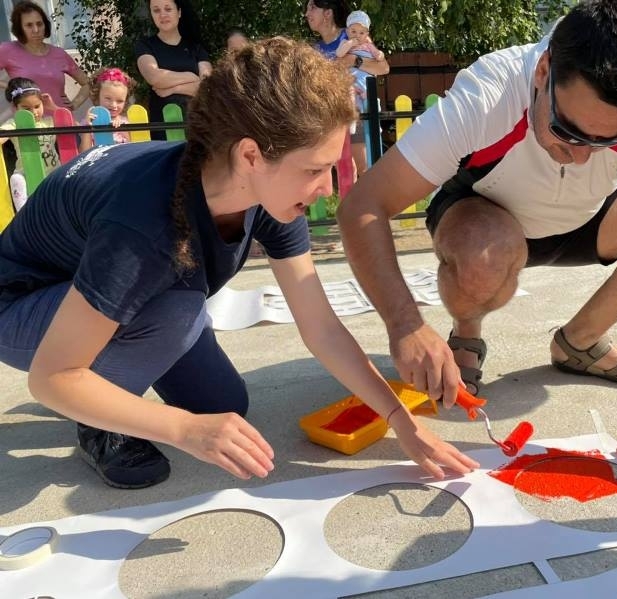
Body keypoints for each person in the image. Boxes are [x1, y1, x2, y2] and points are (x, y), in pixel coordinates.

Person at [337, 0, 617, 519]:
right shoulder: (488, 94)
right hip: (491, 215)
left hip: (593, 216)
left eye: (611, 139)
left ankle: (580, 340)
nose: (581, 154)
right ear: (543, 72)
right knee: (486, 253)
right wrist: (406, 325)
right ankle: (467, 332)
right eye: (568, 130)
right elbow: (362, 206)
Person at [0, 37, 478, 490]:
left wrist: (401, 420)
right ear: (251, 154)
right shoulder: (140, 222)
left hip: (125, 293)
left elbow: (321, 328)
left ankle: (127, 368)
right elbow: (52, 376)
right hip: (23, 304)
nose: (327, 189)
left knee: (224, 406)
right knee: (178, 317)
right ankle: (100, 423)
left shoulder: (265, 195)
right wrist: (183, 429)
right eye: (315, 170)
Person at [305, 0, 389, 177]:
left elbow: (383, 68)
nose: (307, 14)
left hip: (359, 110)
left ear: (328, 13)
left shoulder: (353, 33)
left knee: (365, 168)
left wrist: (354, 61)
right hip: (333, 116)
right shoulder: (315, 50)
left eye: (312, 8)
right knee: (345, 172)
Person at [135, 0, 212, 141]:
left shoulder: (196, 48)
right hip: (162, 127)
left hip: (197, 125)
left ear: (179, 12)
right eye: (156, 10)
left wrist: (172, 88)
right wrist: (191, 76)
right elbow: (154, 77)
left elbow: (207, 87)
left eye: (168, 9)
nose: (162, 15)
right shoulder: (145, 46)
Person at [0, 1, 91, 113]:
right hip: (29, 120)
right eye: (29, 25)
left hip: (61, 119)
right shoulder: (7, 50)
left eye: (39, 24)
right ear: (20, 28)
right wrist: (11, 87)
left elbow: (87, 83)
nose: (36, 30)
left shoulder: (59, 53)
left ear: (45, 25)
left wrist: (74, 104)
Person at [0, 78, 60, 211]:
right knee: (16, 179)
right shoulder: (14, 124)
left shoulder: (49, 121)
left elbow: (74, 125)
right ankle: (24, 212)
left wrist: (53, 107)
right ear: (15, 108)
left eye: (37, 106)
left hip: (53, 172)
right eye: (26, 108)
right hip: (26, 173)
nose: (34, 112)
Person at [335, 10, 385, 111]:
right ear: (347, 31)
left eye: (361, 33)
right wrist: (350, 44)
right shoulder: (345, 43)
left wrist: (380, 54)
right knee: (351, 99)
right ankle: (354, 115)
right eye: (353, 32)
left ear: (366, 35)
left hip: (365, 80)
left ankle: (372, 112)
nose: (357, 35)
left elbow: (378, 55)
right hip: (351, 80)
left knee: (369, 101)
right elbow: (339, 53)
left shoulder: (368, 46)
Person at [79, 67, 133, 152]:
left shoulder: (125, 123)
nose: (113, 105)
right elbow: (83, 152)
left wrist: (122, 130)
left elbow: (132, 150)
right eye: (108, 98)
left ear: (125, 101)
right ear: (98, 96)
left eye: (120, 101)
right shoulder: (90, 121)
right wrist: (88, 128)